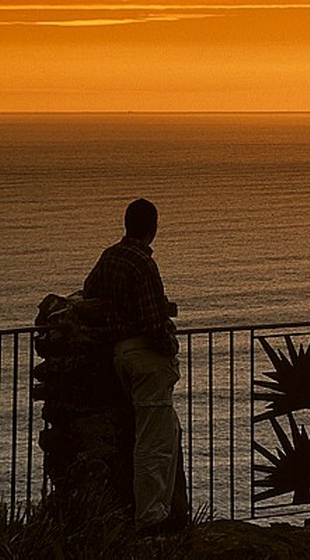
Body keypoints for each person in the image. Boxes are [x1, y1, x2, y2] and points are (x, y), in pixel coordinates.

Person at [83, 198, 185, 534]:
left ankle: (164, 509)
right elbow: (153, 322)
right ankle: (151, 517)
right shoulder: (143, 264)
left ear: (127, 224)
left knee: (166, 431)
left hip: (120, 355)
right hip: (145, 358)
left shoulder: (109, 257)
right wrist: (170, 346)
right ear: (152, 227)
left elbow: (88, 292)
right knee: (154, 441)